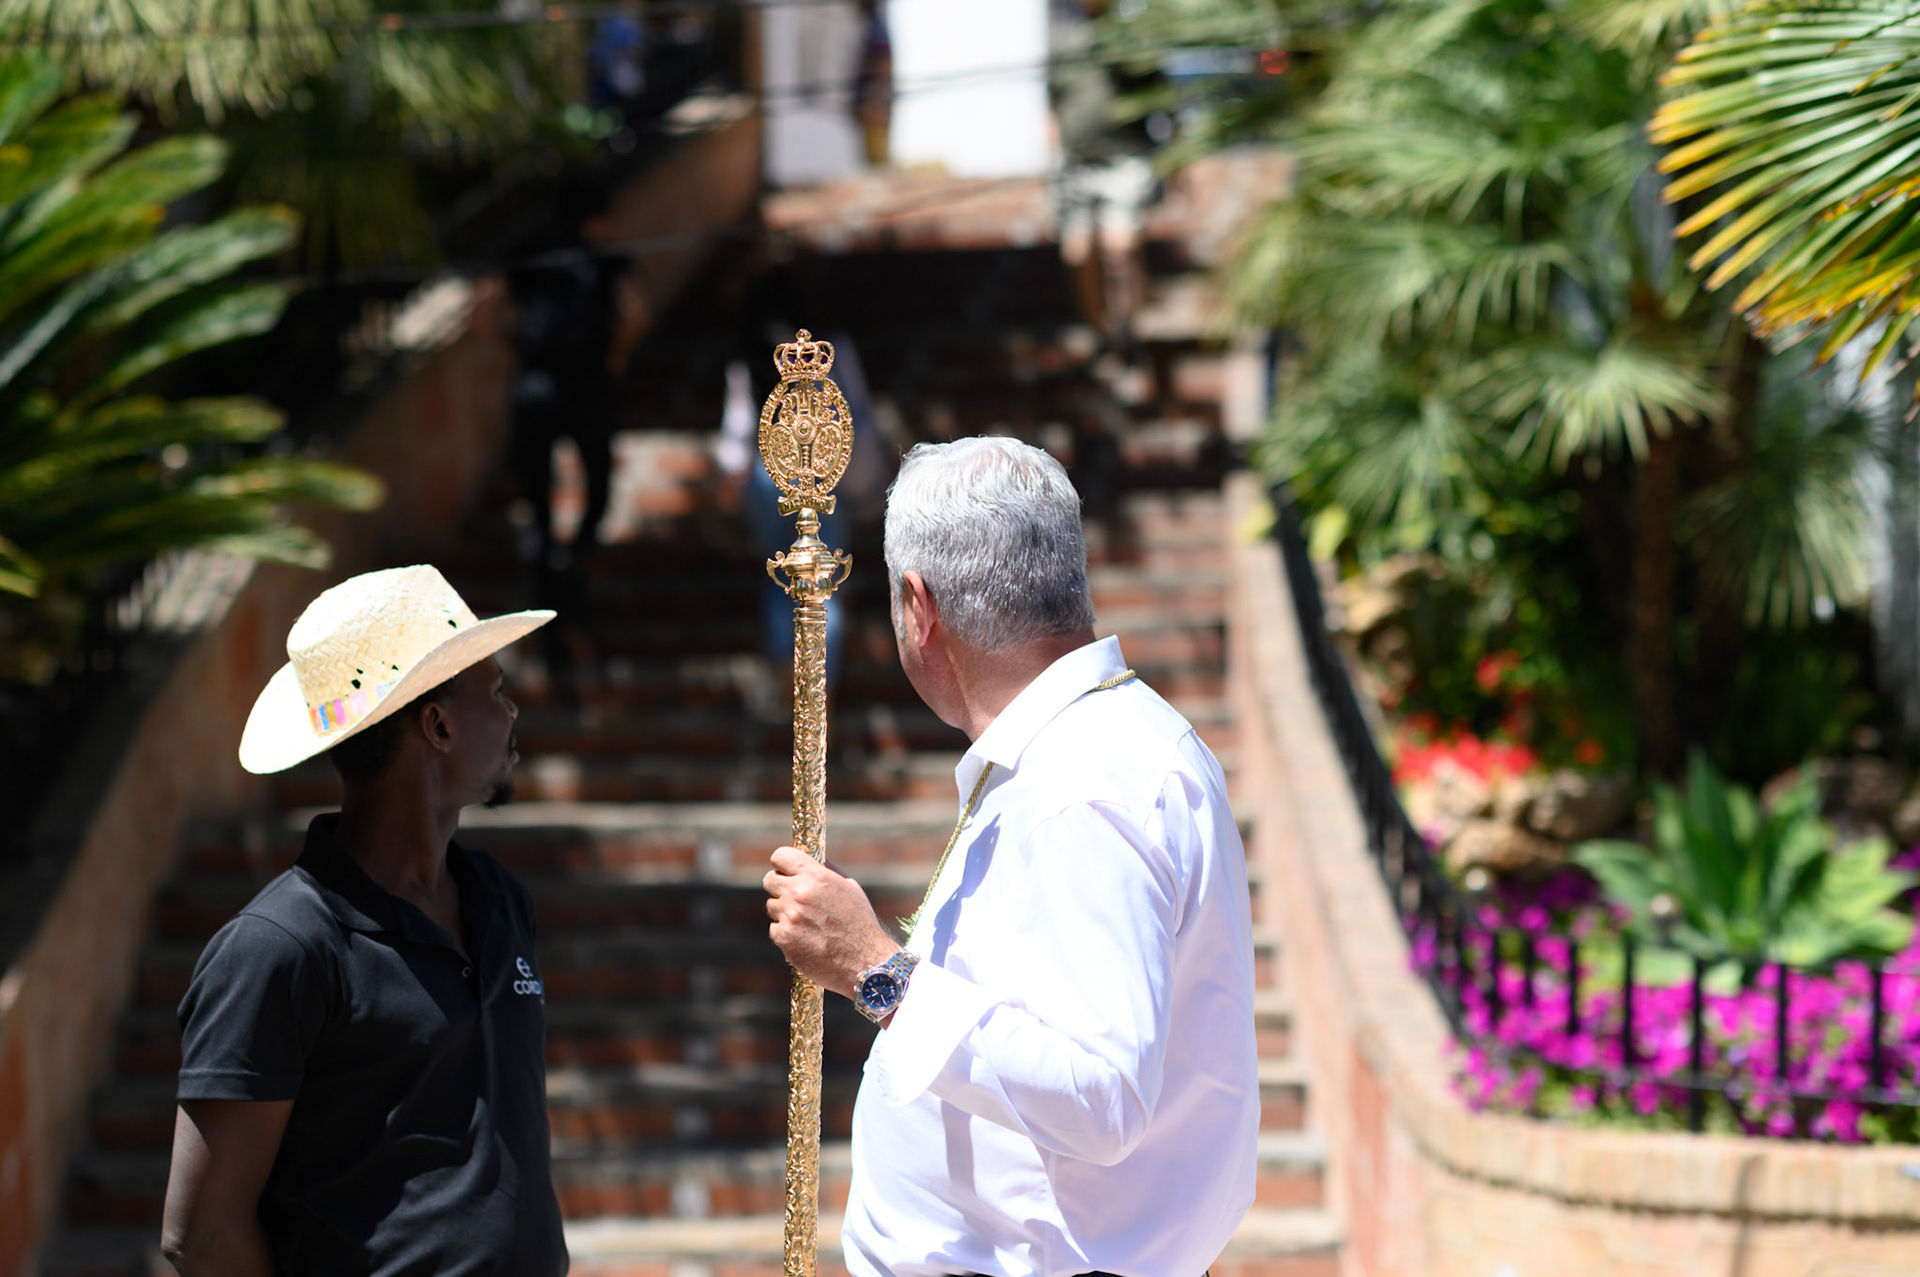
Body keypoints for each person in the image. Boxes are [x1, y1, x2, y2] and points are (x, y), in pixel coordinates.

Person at [762, 436, 1259, 1277]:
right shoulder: (1088, 746)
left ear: (919, 606)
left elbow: (1103, 1098)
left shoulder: (1083, 784)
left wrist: (877, 971)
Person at [161, 565, 566, 1277]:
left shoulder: (499, 898)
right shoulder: (279, 947)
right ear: (438, 725)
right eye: (496, 689)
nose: (511, 710)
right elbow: (202, 1236)